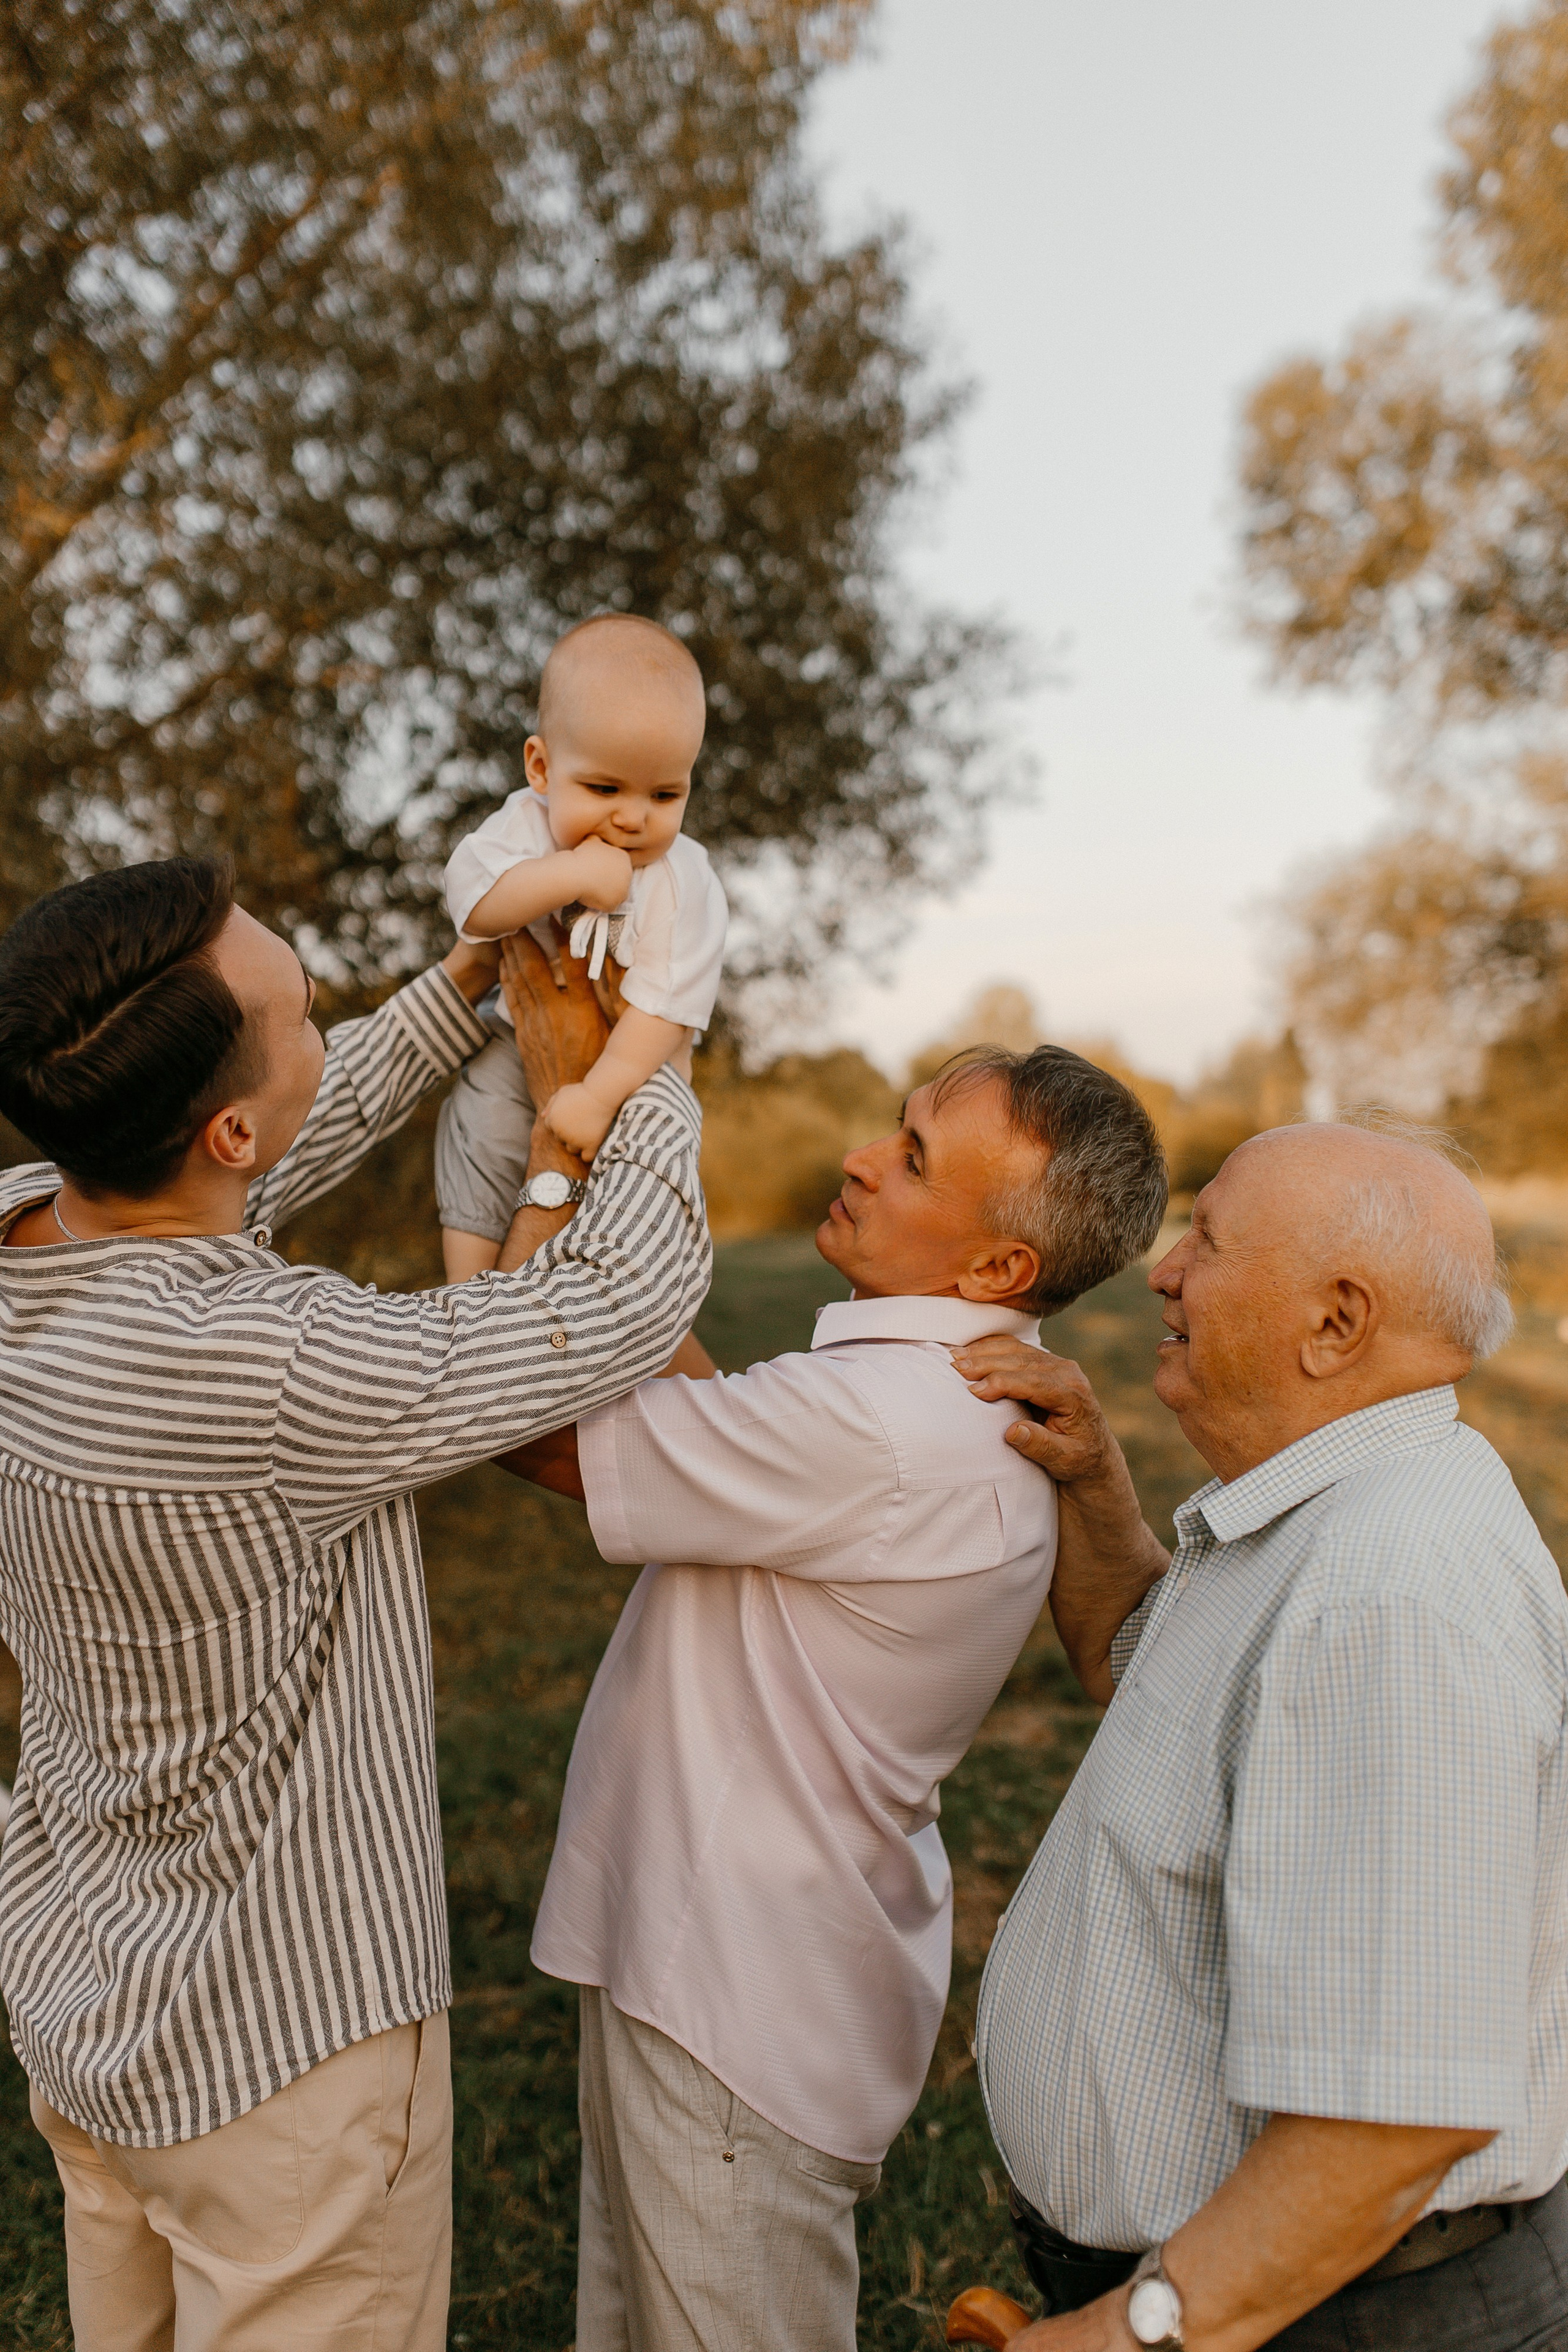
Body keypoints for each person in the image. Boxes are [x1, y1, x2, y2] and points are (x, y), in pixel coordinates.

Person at [0, 858, 709, 2352]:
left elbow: (258, 1156)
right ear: (223, 1127)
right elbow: (616, 1302)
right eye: (305, 1013)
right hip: (281, 2053)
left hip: (85, 1980)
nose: (326, 1021)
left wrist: (462, 985)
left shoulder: (29, 1227)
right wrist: (637, 1066)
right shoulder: (272, 1364)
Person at [500, 1041, 1169, 2352]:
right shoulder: (913, 1407)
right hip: (727, 1962)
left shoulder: (880, 1422)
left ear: (998, 1271)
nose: (860, 1159)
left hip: (731, 1995)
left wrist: (556, 1170)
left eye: (912, 1158)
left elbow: (524, 1421)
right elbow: (717, 1430)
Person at [949, 1115, 1568, 2352]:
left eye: (1209, 1240)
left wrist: (1133, 2332)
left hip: (1332, 2311)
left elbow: (1394, 2117)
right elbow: (1157, 1684)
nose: (1164, 1271)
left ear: (1334, 1323)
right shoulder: (1326, 1509)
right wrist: (1094, 1485)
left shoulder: (1386, 1600)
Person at [437, 612, 728, 1278]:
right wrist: (570, 874)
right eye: (604, 788)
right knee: (481, 1127)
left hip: (636, 1072)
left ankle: (635, 1290)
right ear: (541, 768)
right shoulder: (524, 825)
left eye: (665, 794)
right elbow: (472, 906)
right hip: (517, 1043)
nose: (633, 817)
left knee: (644, 1177)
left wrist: (597, 1096)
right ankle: (464, 1291)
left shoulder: (685, 880)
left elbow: (666, 1008)